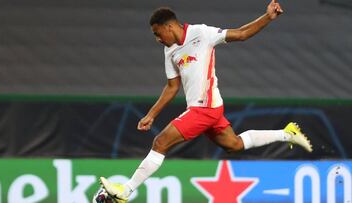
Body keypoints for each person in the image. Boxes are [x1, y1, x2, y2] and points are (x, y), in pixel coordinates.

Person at [98, 0, 312, 202]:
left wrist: (268, 17)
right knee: (234, 144)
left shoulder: (201, 33)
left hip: (205, 107)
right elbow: (172, 86)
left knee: (160, 143)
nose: (157, 39)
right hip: (206, 109)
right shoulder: (169, 51)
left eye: (157, 33)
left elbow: (242, 33)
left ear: (169, 26)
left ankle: (124, 192)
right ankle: (287, 133)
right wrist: (151, 114)